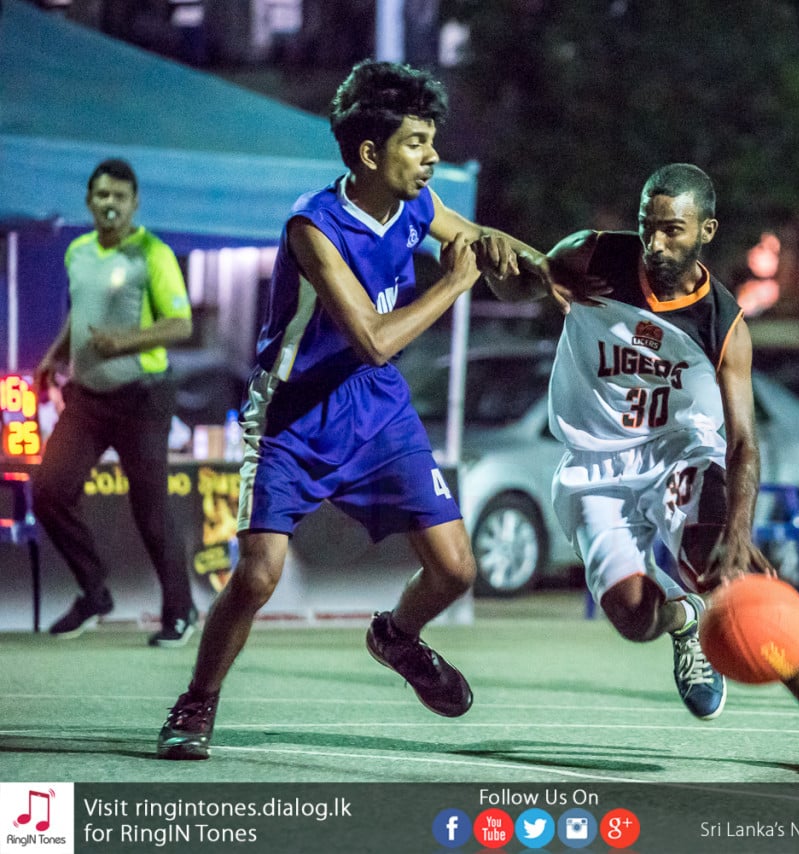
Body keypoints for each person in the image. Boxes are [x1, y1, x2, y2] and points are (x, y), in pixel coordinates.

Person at [156, 60, 558, 760]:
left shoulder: (417, 205)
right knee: (257, 574)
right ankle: (196, 700)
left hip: (376, 407)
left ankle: (396, 636)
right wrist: (455, 284)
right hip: (293, 413)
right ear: (371, 153)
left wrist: (557, 272)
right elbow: (372, 338)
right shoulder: (313, 228)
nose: (432, 156)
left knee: (456, 570)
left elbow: (481, 239)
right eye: (416, 143)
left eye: (432, 141)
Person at [533, 163, 799, 776]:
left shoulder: (722, 323)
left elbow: (743, 442)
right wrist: (530, 272)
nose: (655, 244)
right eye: (647, 226)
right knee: (634, 618)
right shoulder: (592, 257)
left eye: (672, 231)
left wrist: (739, 533)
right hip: (594, 465)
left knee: (732, 576)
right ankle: (683, 618)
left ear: (706, 231)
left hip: (678, 452)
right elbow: (524, 277)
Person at [32, 158, 199, 648]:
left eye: (120, 197)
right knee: (48, 491)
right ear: (89, 200)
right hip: (87, 398)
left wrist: (123, 342)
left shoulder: (153, 253)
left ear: (134, 203)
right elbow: (80, 314)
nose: (110, 204)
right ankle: (94, 593)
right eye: (102, 195)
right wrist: (53, 356)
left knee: (150, 508)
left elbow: (181, 324)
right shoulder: (78, 252)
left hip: (143, 398)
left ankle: (181, 610)